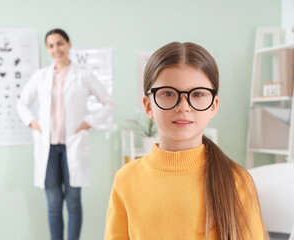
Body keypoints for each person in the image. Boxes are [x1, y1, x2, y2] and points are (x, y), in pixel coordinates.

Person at [104, 42, 268, 239]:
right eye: (168, 93)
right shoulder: (126, 179)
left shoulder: (237, 180)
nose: (183, 106)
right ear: (148, 106)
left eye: (197, 94)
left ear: (213, 106)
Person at [17, 28, 116, 240]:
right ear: (47, 49)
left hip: (73, 143)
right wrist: (32, 122)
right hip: (49, 147)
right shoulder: (40, 76)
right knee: (53, 203)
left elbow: (109, 103)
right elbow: (22, 103)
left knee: (73, 202)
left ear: (69, 44)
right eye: (51, 46)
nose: (56, 49)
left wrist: (88, 123)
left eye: (60, 43)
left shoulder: (84, 76)